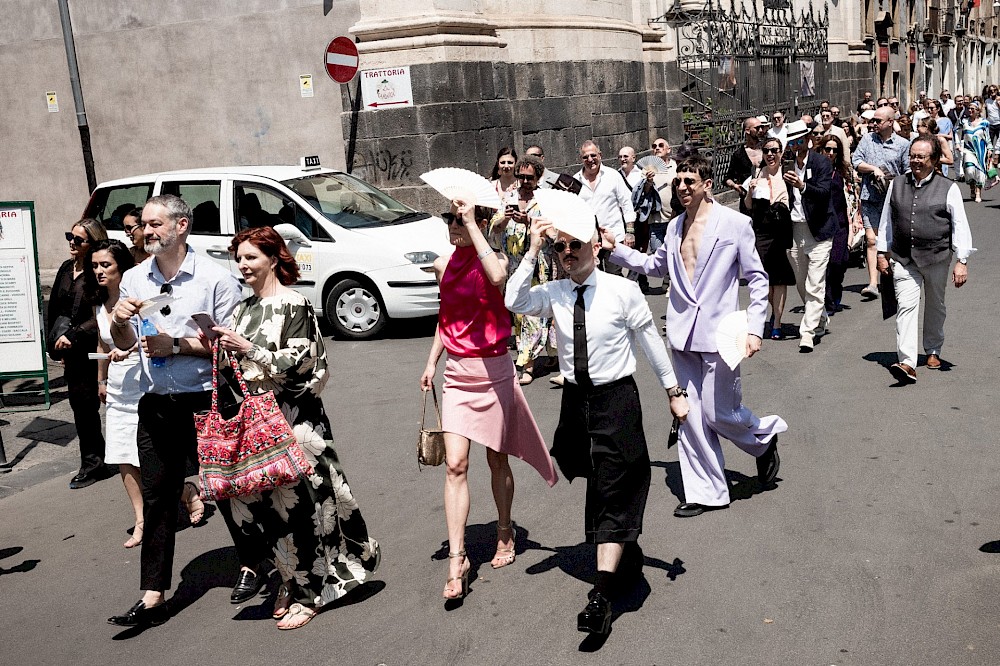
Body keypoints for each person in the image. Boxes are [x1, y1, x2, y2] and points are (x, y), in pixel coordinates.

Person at [506, 213, 688, 636]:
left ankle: (601, 598)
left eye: (575, 246)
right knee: (601, 482)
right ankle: (626, 551)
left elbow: (651, 345)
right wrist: (533, 249)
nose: (566, 254)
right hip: (576, 405)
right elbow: (513, 301)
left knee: (612, 485)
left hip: (616, 400)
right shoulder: (554, 292)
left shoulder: (623, 291)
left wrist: (674, 393)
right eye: (559, 247)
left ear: (595, 246)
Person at [206, 226, 381, 629]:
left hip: (297, 421)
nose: (243, 265)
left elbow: (305, 363)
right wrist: (221, 349)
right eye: (239, 258)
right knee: (270, 509)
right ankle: (291, 580)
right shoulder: (242, 309)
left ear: (273, 257)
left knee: (307, 506)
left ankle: (313, 591)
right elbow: (235, 373)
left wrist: (249, 350)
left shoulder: (294, 305)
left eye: (251, 257)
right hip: (258, 424)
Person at [607, 154, 786, 518]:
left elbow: (757, 277)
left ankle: (763, 440)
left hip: (722, 335)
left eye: (690, 181)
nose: (683, 187)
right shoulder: (673, 228)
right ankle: (706, 491)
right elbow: (656, 265)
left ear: (707, 184)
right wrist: (616, 250)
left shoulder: (735, 224)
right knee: (689, 414)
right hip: (681, 334)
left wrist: (755, 328)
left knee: (719, 412)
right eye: (679, 182)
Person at [107, 194, 243, 628]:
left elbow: (231, 346)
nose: (146, 232)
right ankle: (153, 594)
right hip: (156, 400)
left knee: (226, 487)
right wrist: (118, 322)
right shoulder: (133, 278)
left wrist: (179, 345)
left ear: (181, 226)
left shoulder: (215, 279)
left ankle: (257, 564)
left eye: (155, 224)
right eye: (143, 225)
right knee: (159, 495)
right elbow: (126, 345)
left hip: (205, 397)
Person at [421, 199, 558, 601]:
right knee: (455, 465)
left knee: (496, 458)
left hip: (495, 369)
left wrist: (474, 225)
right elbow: (446, 319)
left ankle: (504, 529)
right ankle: (457, 559)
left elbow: (498, 276)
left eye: (460, 218)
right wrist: (431, 363)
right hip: (458, 375)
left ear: (480, 221)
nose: (453, 224)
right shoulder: (442, 265)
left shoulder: (493, 258)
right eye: (449, 218)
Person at [876, 137, 975, 384]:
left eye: (921, 157)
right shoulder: (897, 184)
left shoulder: (948, 187)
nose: (916, 161)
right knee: (906, 307)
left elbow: (959, 225)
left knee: (935, 304)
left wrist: (961, 260)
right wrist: (881, 252)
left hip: (937, 257)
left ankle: (932, 349)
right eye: (913, 156)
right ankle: (907, 362)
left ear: (933, 160)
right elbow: (887, 221)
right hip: (904, 258)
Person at [85, 239, 145, 546]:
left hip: (144, 382)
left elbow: (150, 337)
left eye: (105, 264)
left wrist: (130, 348)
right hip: (118, 387)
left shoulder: (136, 298)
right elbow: (101, 344)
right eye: (94, 265)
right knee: (122, 455)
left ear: (121, 266)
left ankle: (185, 494)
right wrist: (101, 381)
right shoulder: (99, 303)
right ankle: (140, 519)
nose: (98, 271)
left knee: (147, 455)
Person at [50, 217, 109, 490]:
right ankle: (94, 461)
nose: (71, 243)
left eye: (78, 239)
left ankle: (101, 461)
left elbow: (102, 314)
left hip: (94, 347)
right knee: (81, 407)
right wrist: (54, 344)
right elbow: (55, 310)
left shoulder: (97, 272)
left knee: (93, 403)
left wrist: (73, 336)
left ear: (92, 243)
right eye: (69, 237)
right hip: (69, 349)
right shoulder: (65, 268)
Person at [491, 155, 557, 385]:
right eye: (520, 177)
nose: (524, 181)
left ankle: (525, 364)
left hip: (538, 265)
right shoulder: (509, 197)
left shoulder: (545, 200)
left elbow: (553, 233)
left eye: (529, 177)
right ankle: (551, 354)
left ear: (538, 177)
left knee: (532, 313)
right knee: (519, 314)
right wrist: (505, 219)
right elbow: (495, 228)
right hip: (514, 265)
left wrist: (528, 221)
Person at [782, 120, 834, 353]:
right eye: (791, 142)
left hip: (819, 230)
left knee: (815, 283)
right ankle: (820, 317)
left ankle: (807, 332)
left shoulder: (821, 162)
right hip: (796, 229)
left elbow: (823, 193)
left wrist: (803, 186)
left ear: (808, 140)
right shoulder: (786, 164)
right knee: (802, 282)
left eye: (799, 141)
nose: (795, 145)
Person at [852, 105, 910, 299]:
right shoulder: (867, 140)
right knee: (871, 240)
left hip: (893, 199)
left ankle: (893, 278)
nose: (873, 123)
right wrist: (873, 169)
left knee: (891, 240)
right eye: (873, 120)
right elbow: (856, 161)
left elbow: (908, 171)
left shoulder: (902, 144)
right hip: (870, 197)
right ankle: (873, 283)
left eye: (878, 120)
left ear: (890, 122)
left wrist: (895, 182)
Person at [743, 136, 795, 340]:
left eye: (774, 150)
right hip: (761, 232)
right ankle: (770, 314)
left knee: (779, 278)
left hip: (780, 231)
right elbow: (747, 206)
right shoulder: (757, 174)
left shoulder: (788, 174)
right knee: (765, 278)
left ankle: (777, 322)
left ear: (781, 153)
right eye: (766, 151)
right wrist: (750, 190)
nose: (770, 154)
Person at [818, 134, 860, 316]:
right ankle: (828, 301)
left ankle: (836, 289)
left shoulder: (843, 171)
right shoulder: (816, 170)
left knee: (839, 262)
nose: (831, 153)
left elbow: (852, 197)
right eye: (828, 149)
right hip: (823, 222)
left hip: (842, 222)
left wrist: (855, 220)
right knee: (826, 264)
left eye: (835, 150)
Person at [574, 140, 636, 247]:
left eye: (593, 155)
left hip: (614, 237)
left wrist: (630, 232)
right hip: (589, 241)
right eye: (585, 157)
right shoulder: (575, 181)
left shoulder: (613, 176)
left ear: (600, 155)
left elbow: (626, 204)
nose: (590, 159)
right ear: (581, 159)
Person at [724, 116, 765, 215]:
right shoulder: (738, 154)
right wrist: (735, 186)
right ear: (747, 130)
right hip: (747, 199)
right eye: (757, 128)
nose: (760, 130)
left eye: (761, 127)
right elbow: (727, 178)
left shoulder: (767, 149)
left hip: (765, 198)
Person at [961, 101, 991, 202]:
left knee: (979, 171)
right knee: (969, 170)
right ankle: (972, 187)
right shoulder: (964, 122)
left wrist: (990, 148)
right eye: (969, 108)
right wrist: (957, 144)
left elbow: (988, 137)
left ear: (978, 111)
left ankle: (978, 192)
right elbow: (956, 131)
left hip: (981, 150)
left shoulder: (984, 123)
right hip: (968, 149)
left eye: (972, 109)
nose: (970, 110)